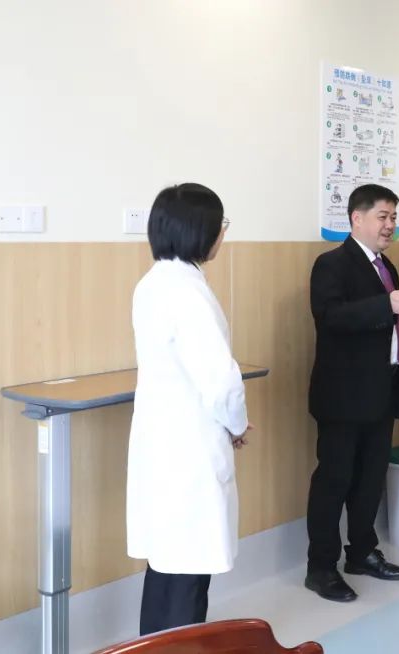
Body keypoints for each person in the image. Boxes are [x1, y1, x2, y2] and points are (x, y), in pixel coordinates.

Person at [305, 184, 399, 603]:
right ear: (356, 218)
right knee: (334, 481)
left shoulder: (386, 266)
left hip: (382, 392)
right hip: (343, 397)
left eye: (393, 217)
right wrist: (388, 306)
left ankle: (362, 552)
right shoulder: (331, 264)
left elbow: (392, 319)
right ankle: (321, 567)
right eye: (383, 216)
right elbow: (331, 316)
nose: (390, 225)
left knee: (369, 480)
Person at [128, 183, 250, 635]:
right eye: (221, 224)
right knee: (189, 573)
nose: (223, 233)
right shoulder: (189, 293)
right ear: (201, 230)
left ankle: (152, 644)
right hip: (190, 447)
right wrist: (237, 425)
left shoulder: (153, 283)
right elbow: (221, 381)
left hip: (162, 441)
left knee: (165, 565)